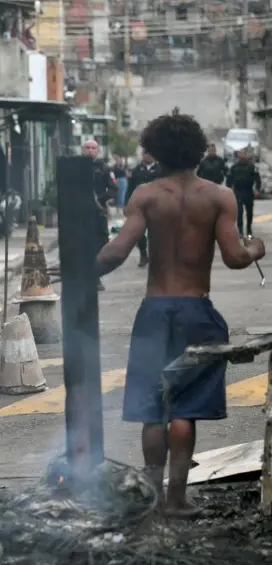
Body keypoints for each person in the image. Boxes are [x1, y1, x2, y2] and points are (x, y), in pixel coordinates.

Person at [96, 111, 265, 518]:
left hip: (155, 312)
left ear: (156, 153)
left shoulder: (146, 196)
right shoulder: (218, 196)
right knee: (185, 408)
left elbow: (117, 252)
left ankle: (152, 498)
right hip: (196, 312)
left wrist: (79, 269)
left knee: (153, 409)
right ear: (195, 149)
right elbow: (236, 257)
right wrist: (257, 249)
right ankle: (176, 499)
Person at [82, 139, 115, 291]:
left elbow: (113, 189)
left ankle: (96, 276)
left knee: (100, 244)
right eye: (87, 148)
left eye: (93, 148)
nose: (90, 151)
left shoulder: (104, 168)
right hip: (81, 213)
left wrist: (101, 199)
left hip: (98, 212)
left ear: (98, 151)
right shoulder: (76, 167)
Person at [127, 151, 162, 267]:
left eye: (150, 153)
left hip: (157, 205)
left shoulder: (161, 170)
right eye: (145, 153)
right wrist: (127, 204)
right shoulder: (136, 170)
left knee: (157, 232)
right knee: (139, 233)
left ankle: (156, 256)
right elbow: (130, 188)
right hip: (140, 206)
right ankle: (143, 254)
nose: (147, 156)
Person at [226, 148, 262, 237]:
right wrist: (229, 189)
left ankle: (249, 230)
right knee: (239, 211)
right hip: (238, 191)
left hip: (248, 191)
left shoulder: (251, 166)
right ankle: (240, 231)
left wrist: (257, 189)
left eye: (244, 154)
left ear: (246, 155)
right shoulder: (234, 167)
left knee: (249, 212)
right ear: (238, 155)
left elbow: (257, 178)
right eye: (240, 154)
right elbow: (229, 179)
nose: (242, 156)